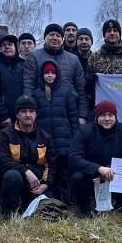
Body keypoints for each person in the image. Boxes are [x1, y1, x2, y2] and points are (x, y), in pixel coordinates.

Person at [69, 100, 122, 218]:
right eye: (103, 115)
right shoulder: (84, 132)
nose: (107, 118)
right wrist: (98, 169)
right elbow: (74, 158)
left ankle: (121, 204)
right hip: (91, 176)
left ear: (115, 117)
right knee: (76, 177)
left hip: (116, 177)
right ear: (96, 116)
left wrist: (112, 169)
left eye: (111, 115)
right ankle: (84, 206)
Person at [0, 96, 56, 218]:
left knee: (49, 210)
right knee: (12, 176)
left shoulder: (45, 137)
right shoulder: (6, 134)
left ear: (36, 114)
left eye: (31, 111)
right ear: (17, 114)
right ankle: (9, 210)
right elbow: (2, 160)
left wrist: (46, 184)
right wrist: (25, 171)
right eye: (23, 111)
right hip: (16, 179)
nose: (28, 115)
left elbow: (51, 164)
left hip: (38, 182)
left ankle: (28, 204)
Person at [22, 23, 90, 125]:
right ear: (45, 37)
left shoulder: (73, 59)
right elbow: (29, 85)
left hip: (69, 113)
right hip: (42, 112)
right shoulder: (34, 56)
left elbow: (81, 89)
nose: (55, 38)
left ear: (62, 39)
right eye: (51, 35)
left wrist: (82, 115)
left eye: (58, 36)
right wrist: (29, 111)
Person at [33, 62, 80, 206]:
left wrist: (74, 138)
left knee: (63, 172)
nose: (50, 76)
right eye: (47, 73)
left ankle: (66, 198)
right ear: (42, 75)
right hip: (44, 141)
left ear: (57, 75)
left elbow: (73, 117)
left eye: (52, 73)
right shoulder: (36, 94)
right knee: (48, 170)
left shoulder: (66, 93)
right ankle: (50, 198)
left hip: (63, 141)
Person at [0, 33, 25, 196]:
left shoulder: (21, 69)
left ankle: (16, 190)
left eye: (10, 44)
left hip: (20, 122)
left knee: (17, 156)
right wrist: (3, 116)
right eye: (3, 45)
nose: (7, 47)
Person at [86, 19, 122, 105]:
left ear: (119, 34)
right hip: (101, 106)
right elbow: (87, 87)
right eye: (108, 31)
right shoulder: (94, 57)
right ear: (104, 35)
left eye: (115, 30)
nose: (112, 33)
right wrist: (90, 82)